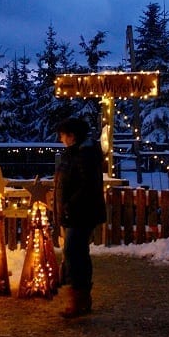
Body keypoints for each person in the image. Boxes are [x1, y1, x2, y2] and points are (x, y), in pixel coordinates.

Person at [53, 117, 106, 318]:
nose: (61, 140)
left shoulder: (85, 156)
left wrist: (69, 204)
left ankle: (77, 298)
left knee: (74, 252)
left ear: (72, 136)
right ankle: (81, 298)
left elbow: (86, 186)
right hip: (76, 212)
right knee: (77, 252)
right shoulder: (76, 154)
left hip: (81, 213)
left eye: (63, 136)